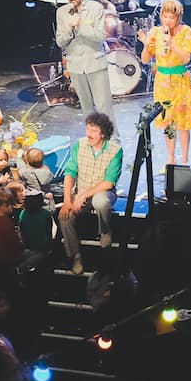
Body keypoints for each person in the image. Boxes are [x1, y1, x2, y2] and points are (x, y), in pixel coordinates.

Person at [59, 112, 123, 275]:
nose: (89, 134)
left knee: (100, 201)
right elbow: (70, 173)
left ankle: (105, 232)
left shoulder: (115, 150)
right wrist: (67, 201)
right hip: (82, 191)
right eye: (87, 129)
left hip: (103, 192)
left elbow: (109, 182)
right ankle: (75, 255)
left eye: (94, 130)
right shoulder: (80, 145)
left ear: (103, 133)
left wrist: (83, 196)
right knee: (64, 216)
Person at [142, 0, 191, 166]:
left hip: (180, 81)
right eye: (164, 16)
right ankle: (171, 158)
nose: (167, 20)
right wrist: (146, 44)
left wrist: (171, 43)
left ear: (178, 17)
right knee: (168, 122)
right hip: (162, 82)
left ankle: (185, 159)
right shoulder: (156, 32)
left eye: (171, 17)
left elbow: (186, 58)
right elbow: (145, 59)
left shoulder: (185, 31)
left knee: (183, 123)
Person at [56, 0, 113, 119]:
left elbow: (100, 36)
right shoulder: (61, 12)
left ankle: (111, 134)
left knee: (104, 108)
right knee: (87, 109)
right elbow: (60, 42)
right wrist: (70, 28)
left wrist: (80, 26)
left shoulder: (95, 8)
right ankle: (91, 133)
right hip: (76, 66)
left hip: (95, 64)